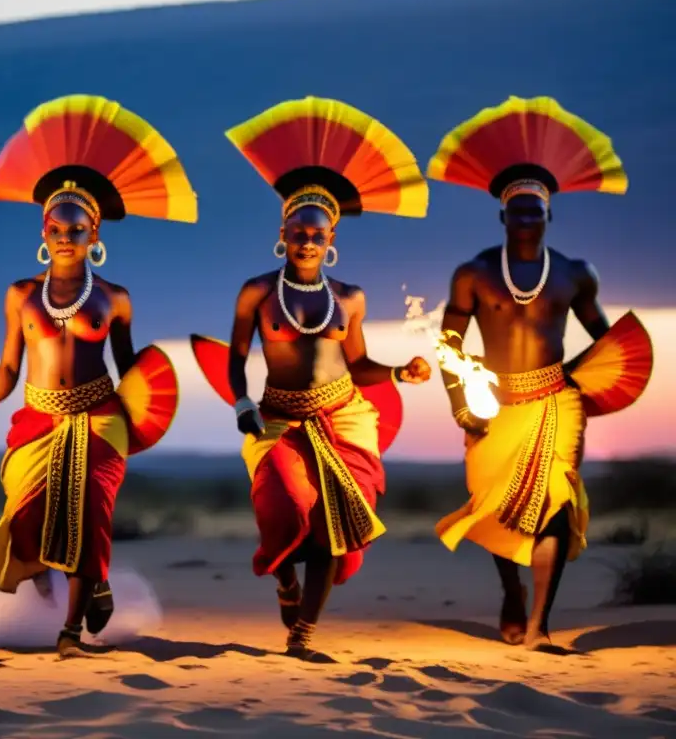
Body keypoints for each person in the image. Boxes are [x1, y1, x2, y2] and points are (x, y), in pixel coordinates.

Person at [0, 94, 196, 658]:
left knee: (90, 512)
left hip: (101, 416)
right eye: (58, 226)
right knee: (28, 513)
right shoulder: (20, 295)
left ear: (95, 236)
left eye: (78, 228)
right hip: (37, 416)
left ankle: (69, 634)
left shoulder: (115, 299)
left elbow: (132, 367)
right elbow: (10, 366)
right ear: (44, 230)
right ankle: (83, 583)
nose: (67, 236)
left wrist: (155, 406)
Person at [191, 96, 432, 660]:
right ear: (282, 230)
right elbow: (236, 356)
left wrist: (400, 369)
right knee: (282, 504)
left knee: (333, 523)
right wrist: (242, 402)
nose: (306, 241)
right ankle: (284, 582)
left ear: (331, 241)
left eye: (317, 234)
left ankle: (302, 636)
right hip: (277, 417)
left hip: (343, 415)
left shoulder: (349, 298)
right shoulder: (256, 291)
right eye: (297, 230)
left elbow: (358, 363)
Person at [426, 96, 648, 651]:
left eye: (536, 209)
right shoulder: (473, 274)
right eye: (518, 209)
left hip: (556, 402)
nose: (527, 217)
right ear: (503, 214)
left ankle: (540, 627)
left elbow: (603, 336)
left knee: (554, 508)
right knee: (494, 506)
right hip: (492, 405)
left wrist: (597, 373)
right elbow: (449, 343)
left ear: (551, 214)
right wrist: (462, 404)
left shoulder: (575, 274)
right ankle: (511, 593)